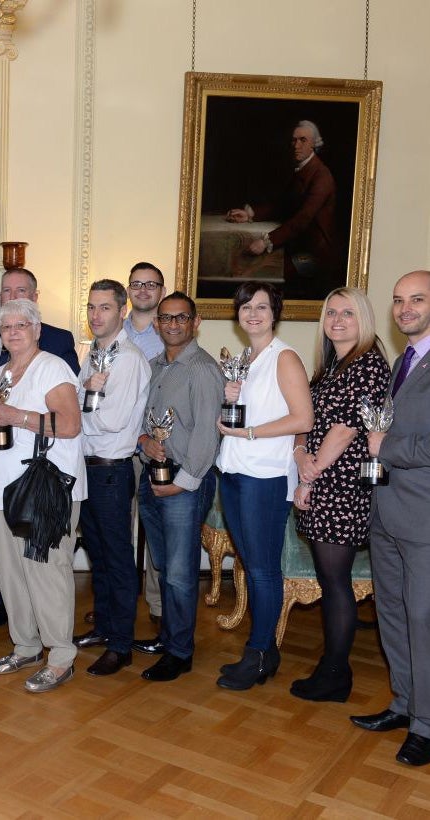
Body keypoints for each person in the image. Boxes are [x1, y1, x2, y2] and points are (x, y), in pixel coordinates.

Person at [0, 298, 85, 693]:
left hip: (45, 490)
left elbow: (70, 424)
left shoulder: (51, 368)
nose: (14, 332)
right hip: (2, 492)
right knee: (12, 574)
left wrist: (17, 417)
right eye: (7, 327)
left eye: (22, 325)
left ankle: (61, 658)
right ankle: (26, 645)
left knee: (46, 571)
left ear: (37, 330)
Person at [214, 282, 313, 690]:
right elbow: (241, 417)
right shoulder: (244, 360)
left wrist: (250, 432)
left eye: (261, 307)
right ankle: (266, 653)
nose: (252, 314)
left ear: (275, 313)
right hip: (234, 472)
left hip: (265, 478)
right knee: (251, 564)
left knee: (262, 569)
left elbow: (303, 418)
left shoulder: (283, 357)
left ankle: (256, 653)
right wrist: (229, 400)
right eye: (245, 307)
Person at [292, 288, 389, 702]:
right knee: (330, 580)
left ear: (362, 319)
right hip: (322, 480)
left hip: (343, 487)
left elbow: (346, 429)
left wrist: (309, 475)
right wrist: (300, 454)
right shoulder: (332, 365)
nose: (337, 320)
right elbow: (308, 420)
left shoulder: (368, 364)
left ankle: (335, 673)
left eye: (348, 313)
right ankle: (333, 669)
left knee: (335, 582)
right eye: (331, 312)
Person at [352, 270, 430, 767]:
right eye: (399, 300)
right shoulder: (405, 360)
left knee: (423, 620)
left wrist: (387, 447)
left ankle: (427, 725)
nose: (405, 309)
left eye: (417, 299)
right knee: (393, 614)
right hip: (384, 512)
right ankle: (404, 704)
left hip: (423, 519)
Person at [135, 292, 222, 683]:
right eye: (166, 318)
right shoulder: (155, 366)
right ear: (157, 324)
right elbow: (145, 421)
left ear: (195, 322)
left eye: (181, 318)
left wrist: (183, 485)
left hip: (185, 484)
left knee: (180, 572)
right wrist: (144, 442)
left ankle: (179, 652)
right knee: (164, 565)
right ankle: (169, 636)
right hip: (153, 476)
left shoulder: (203, 369)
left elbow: (207, 434)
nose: (172, 325)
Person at [72, 280, 150, 676]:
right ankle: (103, 627)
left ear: (122, 311)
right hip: (86, 468)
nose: (96, 315)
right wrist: (83, 399)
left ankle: (121, 644)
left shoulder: (129, 359)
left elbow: (112, 421)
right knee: (98, 554)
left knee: (118, 558)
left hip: (111, 472)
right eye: (91, 307)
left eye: (105, 307)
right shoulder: (93, 355)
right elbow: (76, 406)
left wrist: (81, 405)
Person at [225, 120, 338, 294]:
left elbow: (302, 220)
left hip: (314, 255)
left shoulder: (322, 176)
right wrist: (250, 214)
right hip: (296, 245)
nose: (296, 146)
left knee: (262, 274)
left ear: (314, 144)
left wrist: (266, 241)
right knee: (250, 270)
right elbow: (282, 206)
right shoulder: (303, 170)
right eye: (294, 140)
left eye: (303, 140)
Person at [124, 262, 166, 628]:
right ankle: (118, 601)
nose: (143, 290)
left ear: (161, 292)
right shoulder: (112, 332)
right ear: (128, 291)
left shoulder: (171, 334)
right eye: (137, 284)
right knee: (116, 528)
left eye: (150, 284)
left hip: (155, 447)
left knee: (156, 530)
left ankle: (157, 604)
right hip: (119, 447)